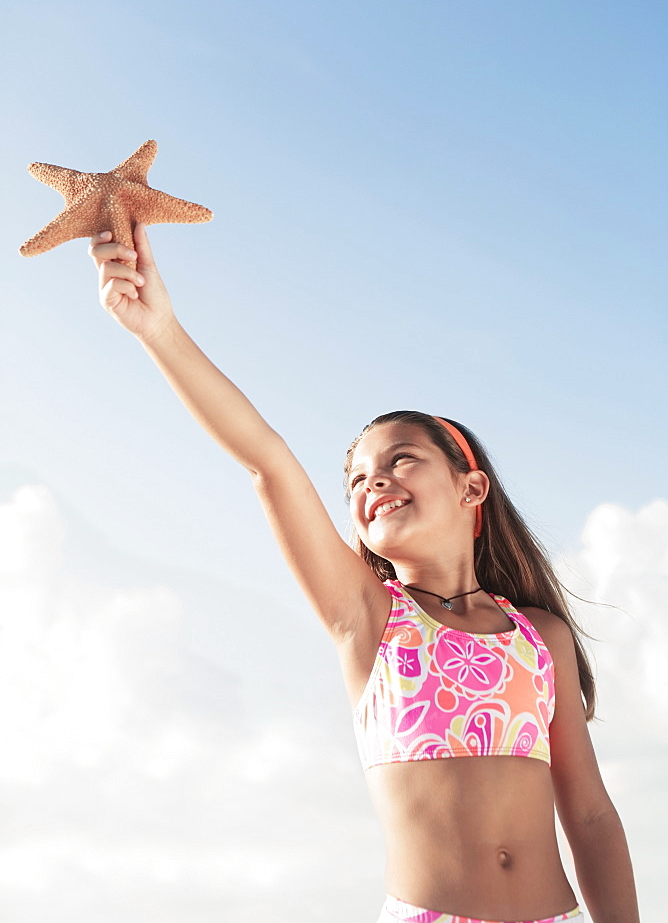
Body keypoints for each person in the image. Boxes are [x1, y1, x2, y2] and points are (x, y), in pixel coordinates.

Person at [90, 225, 640, 923]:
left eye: (400, 459)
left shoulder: (539, 636)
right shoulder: (370, 618)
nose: (373, 482)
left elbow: (589, 815)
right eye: (356, 478)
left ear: (472, 490)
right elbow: (268, 461)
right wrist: (159, 328)